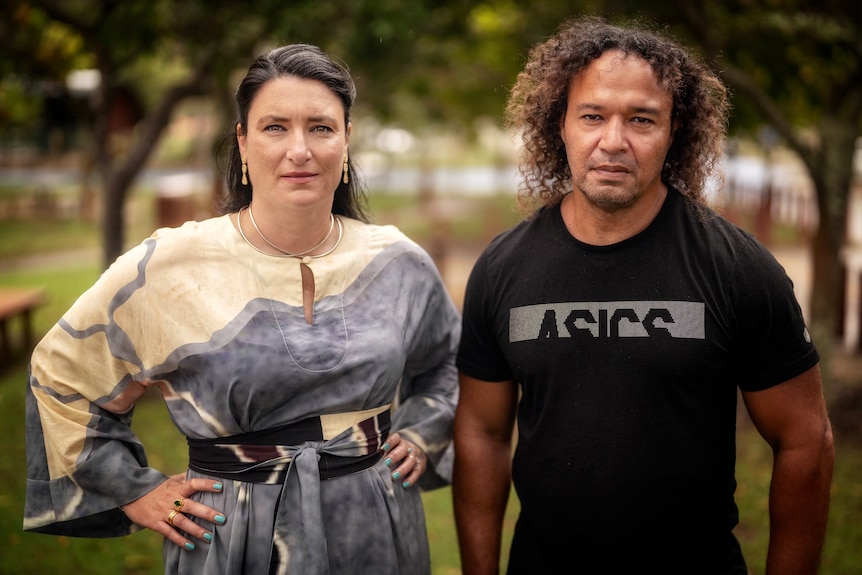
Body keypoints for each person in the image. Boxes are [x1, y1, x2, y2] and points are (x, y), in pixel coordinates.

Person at [24, 44, 461, 574]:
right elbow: (61, 374)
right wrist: (134, 491)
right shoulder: (169, 265)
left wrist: (421, 429)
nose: (299, 149)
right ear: (243, 143)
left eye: (321, 127)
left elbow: (448, 360)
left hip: (377, 525)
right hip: (233, 536)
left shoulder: (396, 261)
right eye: (275, 127)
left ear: (346, 141)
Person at [453, 16, 834, 575]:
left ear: (673, 129)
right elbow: (482, 433)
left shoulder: (737, 269)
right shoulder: (502, 267)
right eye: (592, 116)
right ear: (561, 123)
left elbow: (806, 440)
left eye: (641, 119)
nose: (613, 141)